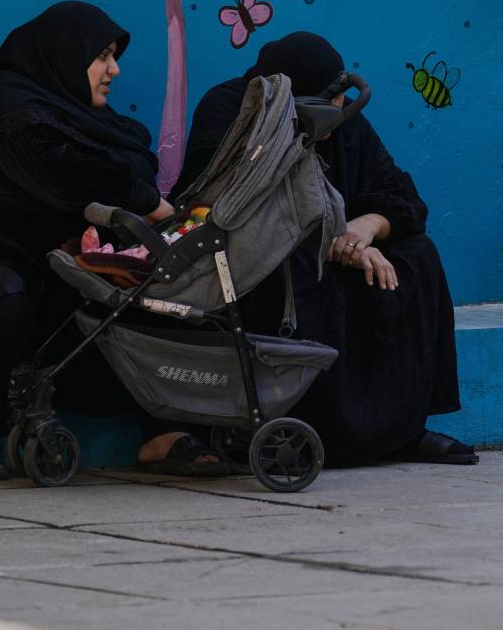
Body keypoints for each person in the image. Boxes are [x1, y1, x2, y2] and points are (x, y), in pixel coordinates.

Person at [0, 1, 227, 480]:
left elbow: (119, 166)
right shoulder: (2, 107)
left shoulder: (97, 125)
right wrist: (149, 204)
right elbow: (59, 172)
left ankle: (163, 432)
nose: (115, 69)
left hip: (53, 272)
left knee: (149, 296)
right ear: (64, 55)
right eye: (102, 55)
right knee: (1, 296)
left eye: (114, 56)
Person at [174, 32, 473, 466]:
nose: (337, 116)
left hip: (344, 248)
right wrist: (331, 240)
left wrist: (365, 229)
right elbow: (229, 205)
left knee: (417, 257)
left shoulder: (343, 117)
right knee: (294, 267)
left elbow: (401, 196)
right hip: (264, 256)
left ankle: (403, 429)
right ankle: (308, 431)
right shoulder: (232, 109)